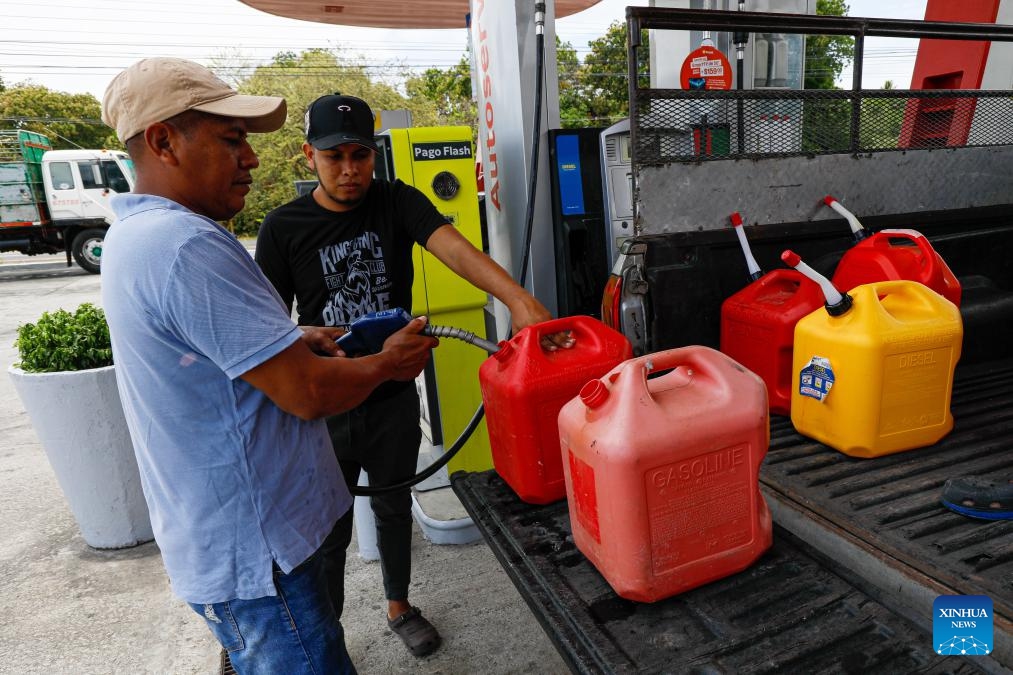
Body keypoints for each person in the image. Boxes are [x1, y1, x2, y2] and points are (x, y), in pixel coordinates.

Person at [99, 58, 438, 674]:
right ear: (163, 141)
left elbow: (210, 351)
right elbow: (306, 392)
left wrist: (290, 337)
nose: (251, 158)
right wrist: (389, 365)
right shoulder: (185, 245)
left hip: (232, 542)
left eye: (360, 154)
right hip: (259, 556)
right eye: (232, 140)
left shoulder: (138, 236)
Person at [255, 92, 574, 658]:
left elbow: (453, 248)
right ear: (309, 156)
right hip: (326, 400)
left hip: (393, 391)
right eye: (334, 157)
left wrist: (517, 298)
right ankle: (329, 637)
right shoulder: (283, 226)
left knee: (394, 502)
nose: (350, 170)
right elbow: (267, 323)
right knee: (327, 528)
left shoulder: (395, 200)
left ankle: (399, 604)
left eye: (360, 154)